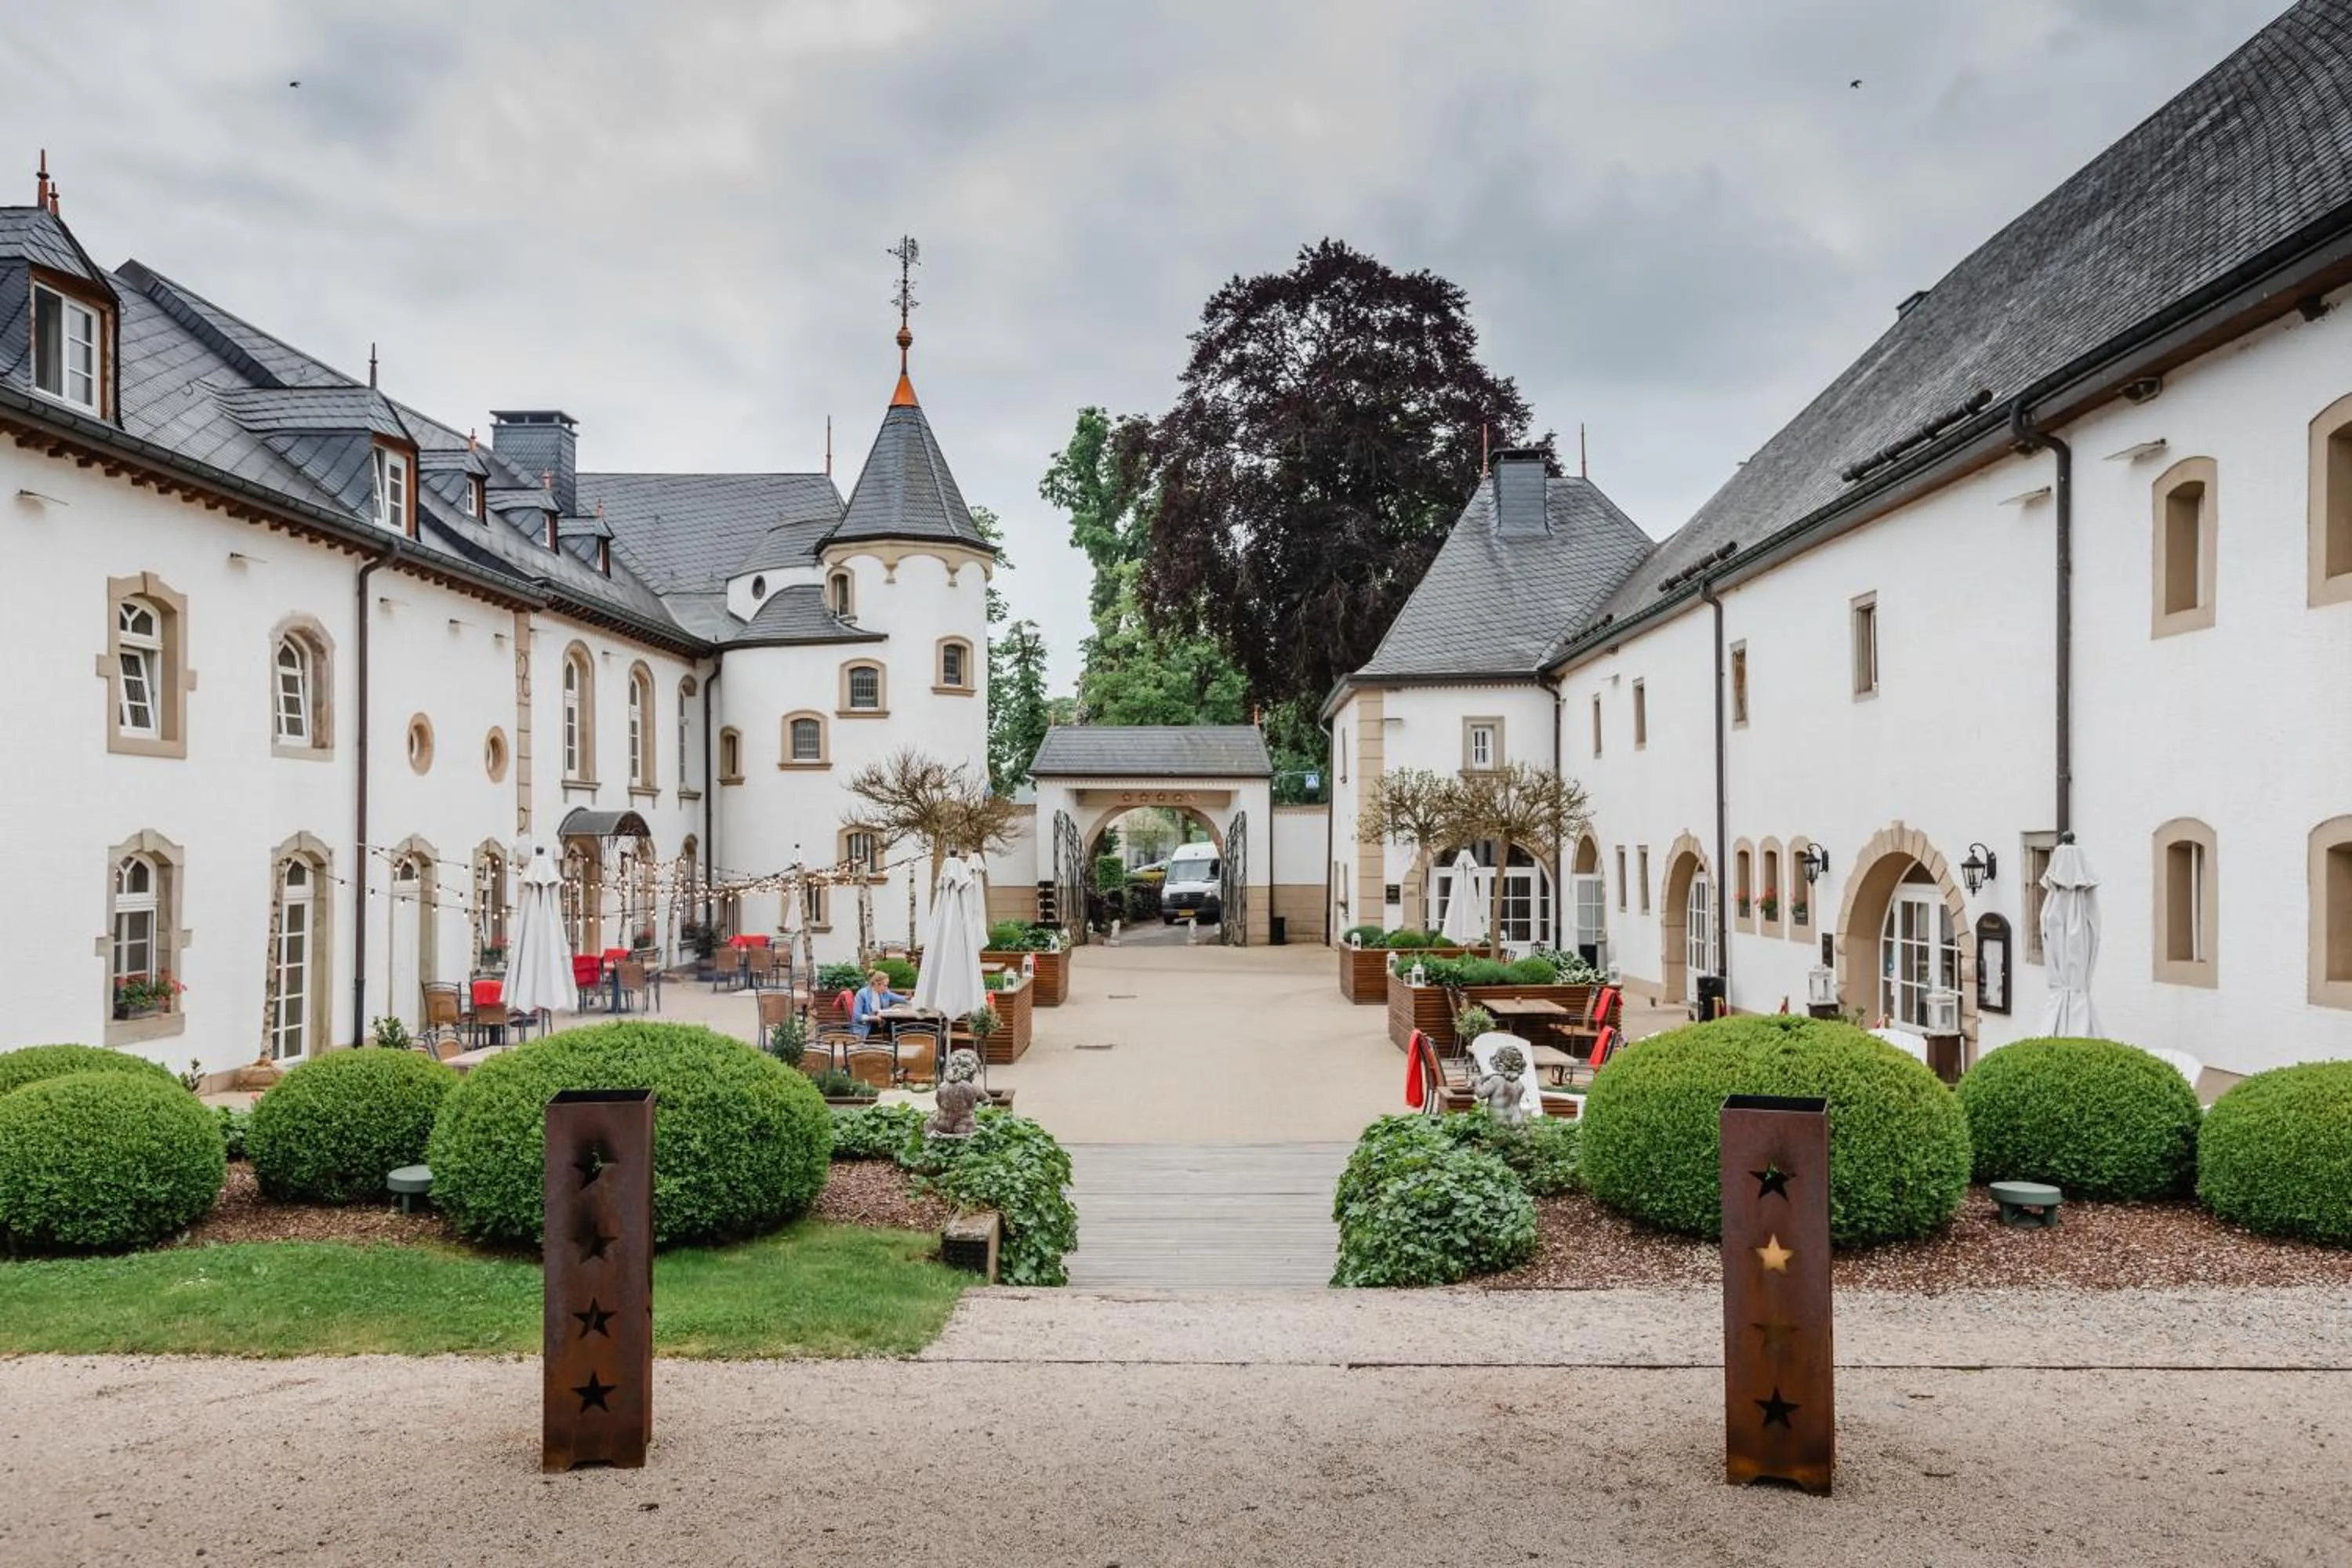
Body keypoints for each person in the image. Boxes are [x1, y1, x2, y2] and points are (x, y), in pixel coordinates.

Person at [849, 968, 909, 1038]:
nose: (887, 988)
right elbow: (857, 1016)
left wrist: (909, 998)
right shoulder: (862, 994)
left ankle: (898, 1045)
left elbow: (899, 998)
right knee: (896, 1027)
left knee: (900, 1024)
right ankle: (895, 1045)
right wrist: (874, 1018)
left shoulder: (884, 993)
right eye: (885, 985)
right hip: (866, 1026)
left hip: (879, 1023)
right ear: (877, 984)